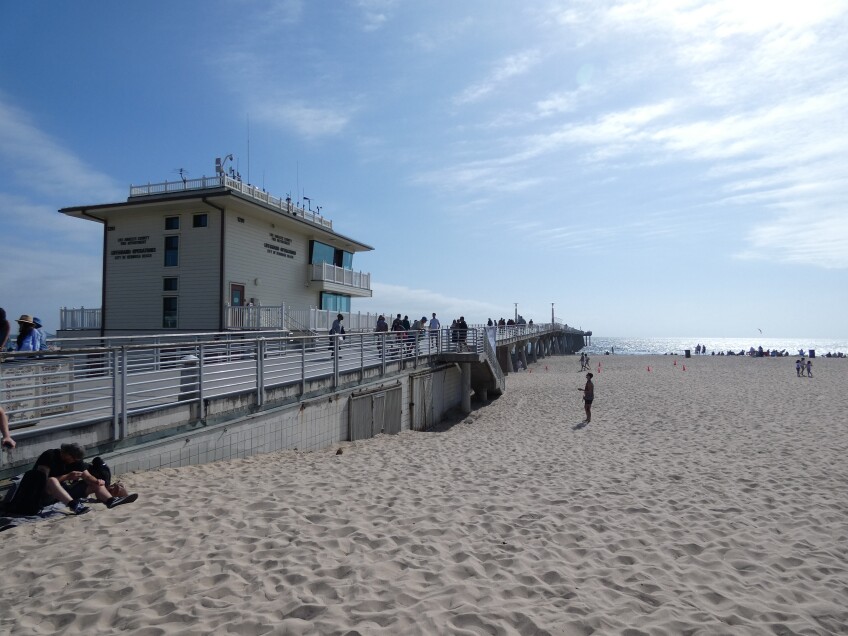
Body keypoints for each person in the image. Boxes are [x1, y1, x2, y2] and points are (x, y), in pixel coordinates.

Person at [34, 442, 138, 515]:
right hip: (45, 493)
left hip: (65, 490)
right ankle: (74, 506)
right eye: (73, 459)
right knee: (52, 480)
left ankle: (110, 501)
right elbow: (42, 481)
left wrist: (97, 481)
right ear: (66, 454)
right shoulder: (50, 456)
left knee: (94, 483)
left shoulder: (76, 461)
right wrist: (67, 476)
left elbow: (87, 476)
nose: (75, 461)